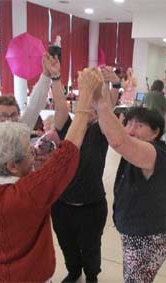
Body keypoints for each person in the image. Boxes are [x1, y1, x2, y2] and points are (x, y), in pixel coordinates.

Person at [0, 67, 104, 282]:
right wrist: (85, 97)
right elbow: (67, 154)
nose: (33, 152)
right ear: (12, 166)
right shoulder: (28, 193)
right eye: (28, 152)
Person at [45, 54, 119, 283]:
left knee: (91, 246)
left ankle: (91, 276)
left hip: (91, 205)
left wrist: (112, 84)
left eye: (94, 110)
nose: (90, 112)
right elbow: (59, 105)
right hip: (62, 204)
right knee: (66, 243)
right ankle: (74, 270)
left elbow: (107, 107)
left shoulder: (100, 132)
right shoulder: (66, 126)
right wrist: (56, 77)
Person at [95, 91, 166, 282]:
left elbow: (118, 140)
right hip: (138, 232)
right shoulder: (136, 149)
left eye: (139, 126)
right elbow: (115, 133)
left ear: (155, 132)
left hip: (150, 237)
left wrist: (99, 100)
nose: (131, 130)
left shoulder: (153, 152)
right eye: (129, 123)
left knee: (135, 280)